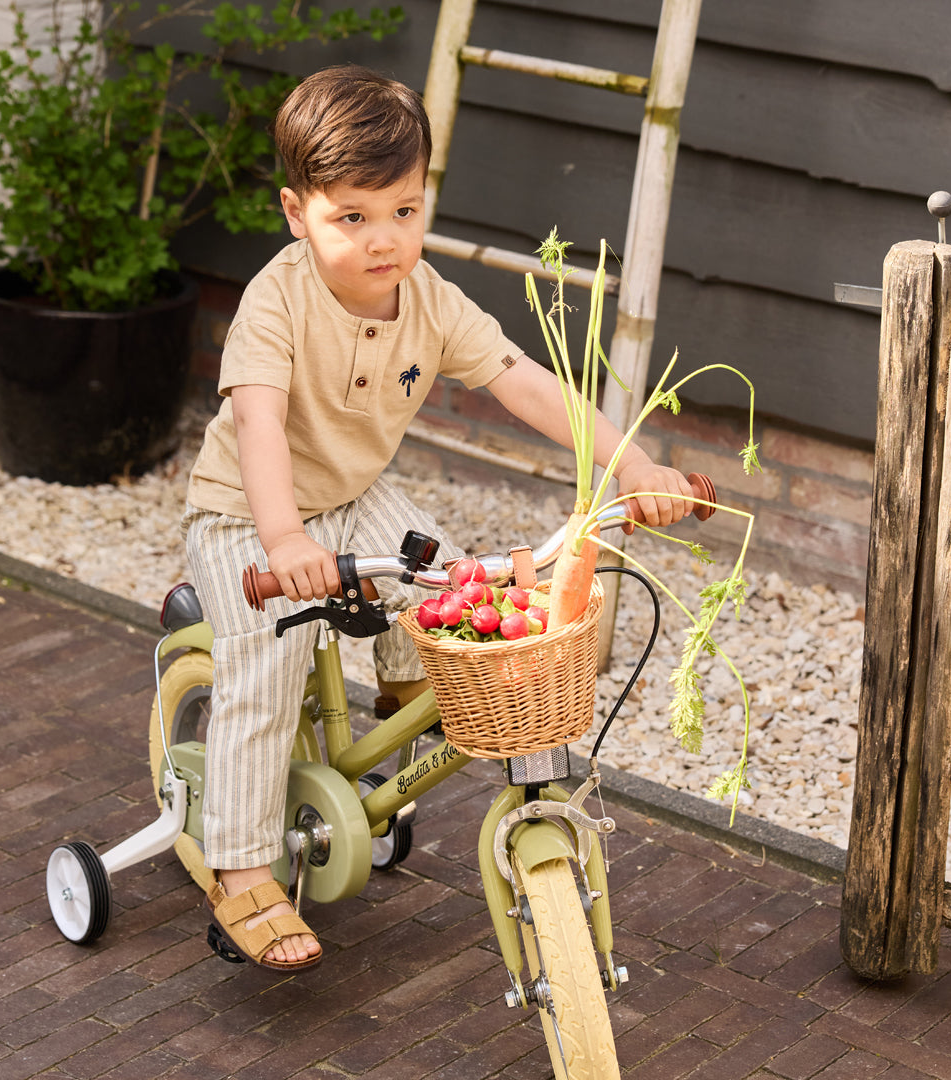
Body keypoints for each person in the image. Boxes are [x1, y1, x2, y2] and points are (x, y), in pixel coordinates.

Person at [182, 64, 695, 971]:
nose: (385, 241)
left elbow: (525, 381)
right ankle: (240, 871)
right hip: (247, 519)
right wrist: (285, 539)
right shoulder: (278, 303)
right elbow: (259, 425)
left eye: (405, 211)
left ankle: (398, 687)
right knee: (269, 659)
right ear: (298, 213)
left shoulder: (427, 299)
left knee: (450, 586)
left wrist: (629, 463)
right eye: (354, 217)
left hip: (353, 497)